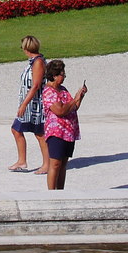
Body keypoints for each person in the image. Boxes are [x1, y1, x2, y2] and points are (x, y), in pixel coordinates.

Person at [40, 59, 87, 190]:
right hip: (56, 132)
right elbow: (60, 111)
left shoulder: (63, 89)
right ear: (54, 75)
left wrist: (80, 96)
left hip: (69, 132)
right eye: (62, 74)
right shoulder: (49, 92)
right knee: (55, 164)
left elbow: (74, 107)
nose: (64, 77)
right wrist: (75, 100)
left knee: (63, 164)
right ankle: (52, 193)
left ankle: (61, 192)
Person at [9, 35, 49, 173]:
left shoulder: (38, 62)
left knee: (39, 133)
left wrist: (24, 104)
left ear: (27, 48)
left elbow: (36, 85)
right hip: (29, 103)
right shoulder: (33, 61)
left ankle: (47, 164)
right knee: (16, 129)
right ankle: (22, 161)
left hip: (35, 104)